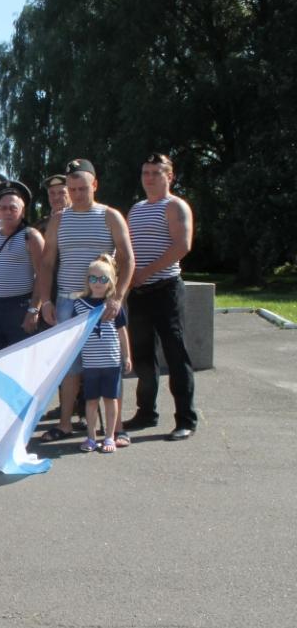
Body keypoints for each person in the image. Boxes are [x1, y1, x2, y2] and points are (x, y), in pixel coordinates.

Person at [36, 159, 134, 444]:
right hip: (67, 303)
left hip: (103, 304)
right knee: (70, 367)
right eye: (72, 189)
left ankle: (115, 429)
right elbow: (47, 262)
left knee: (110, 364)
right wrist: (46, 301)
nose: (77, 194)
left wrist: (118, 298)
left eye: (82, 188)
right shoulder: (58, 219)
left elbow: (127, 259)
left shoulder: (110, 216)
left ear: (95, 185)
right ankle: (65, 424)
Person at [125, 152, 197, 441]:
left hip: (166, 290)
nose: (150, 178)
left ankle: (186, 419)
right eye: (146, 173)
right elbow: (128, 247)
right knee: (143, 357)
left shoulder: (175, 206)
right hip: (139, 294)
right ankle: (146, 413)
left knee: (176, 355)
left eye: (156, 173)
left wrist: (146, 272)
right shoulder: (137, 209)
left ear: (170, 176)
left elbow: (182, 246)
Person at [0, 181, 45, 356]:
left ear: (22, 210)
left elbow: (42, 276)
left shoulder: (31, 237)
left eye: (13, 208)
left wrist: (33, 310)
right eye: (3, 208)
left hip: (19, 309)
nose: (7, 212)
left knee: (20, 361)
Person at [74, 254, 132, 453]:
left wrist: (127, 356)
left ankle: (109, 437)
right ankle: (91, 437)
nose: (98, 283)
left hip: (112, 361)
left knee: (110, 400)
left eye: (103, 279)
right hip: (90, 363)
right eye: (93, 278)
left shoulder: (114, 306)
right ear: (87, 280)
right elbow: (75, 333)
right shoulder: (79, 305)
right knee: (91, 401)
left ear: (111, 282)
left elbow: (122, 332)